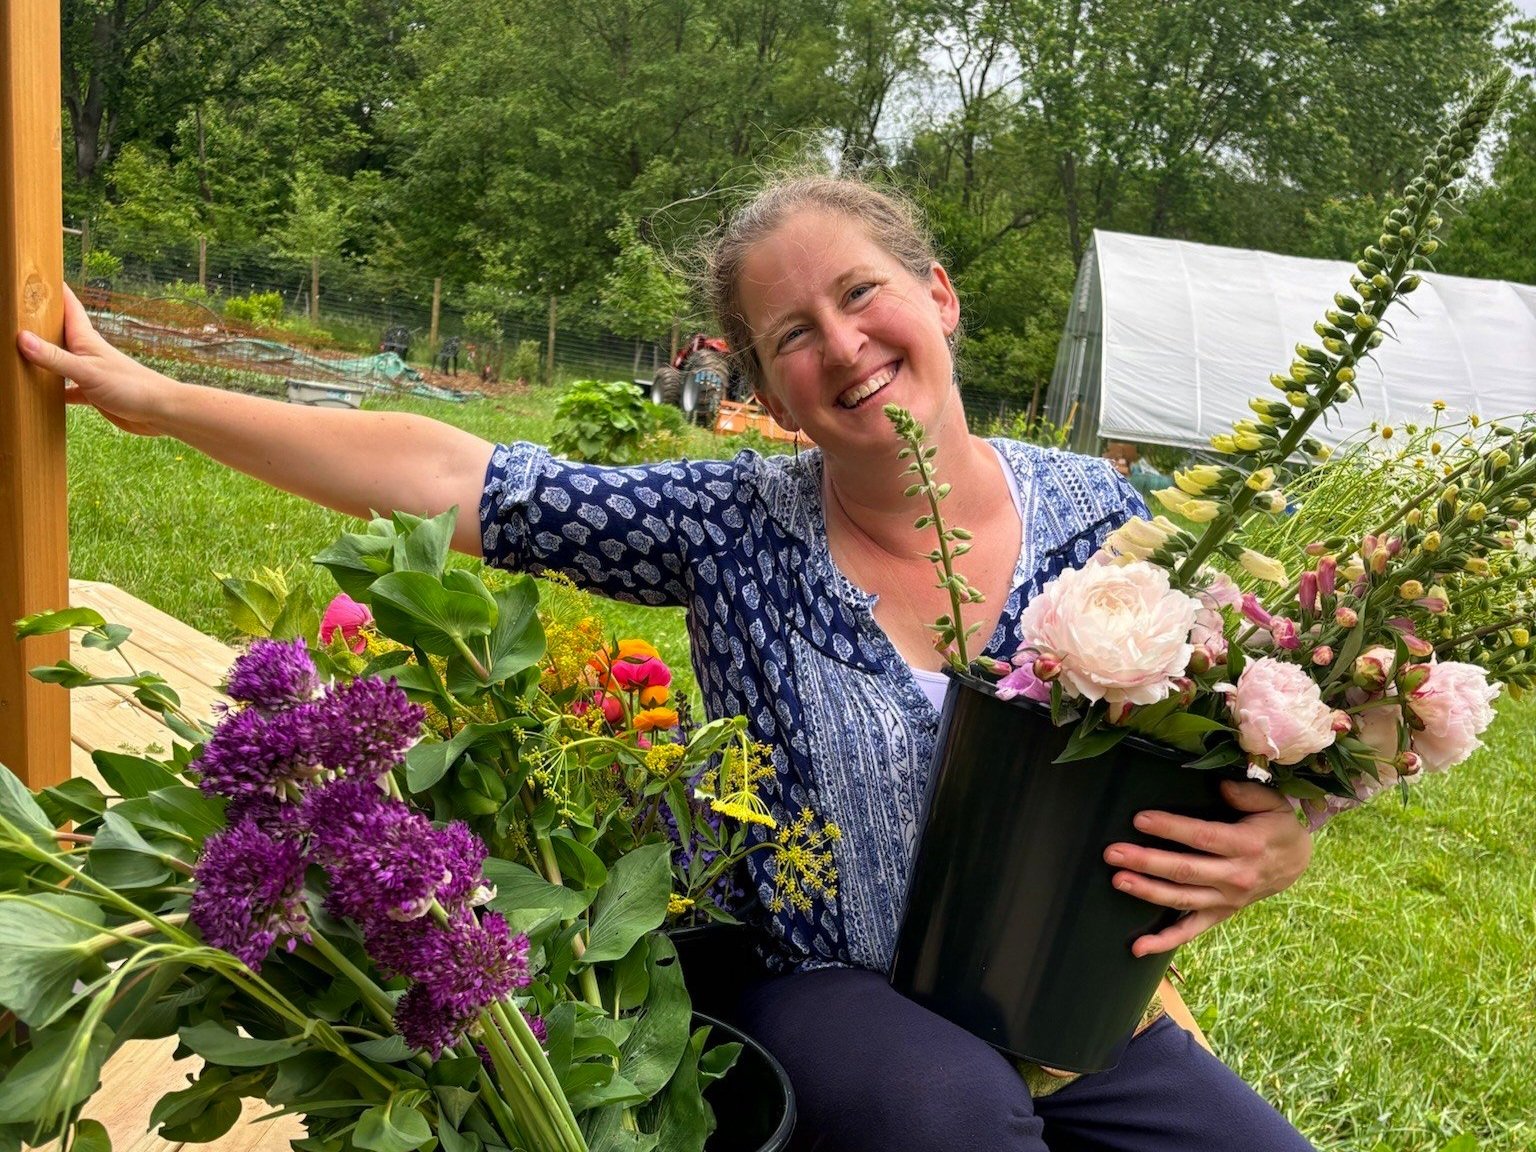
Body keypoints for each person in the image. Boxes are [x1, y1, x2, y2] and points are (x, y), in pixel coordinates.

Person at [18, 174, 1315, 1152]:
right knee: (953, 1121)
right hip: (816, 979)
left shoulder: (1111, 525)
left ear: (939, 297)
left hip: (1058, 999)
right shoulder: (732, 529)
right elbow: (449, 472)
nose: (844, 345)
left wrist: (1274, 838)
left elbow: (1248, 736)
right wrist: (151, 397)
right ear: (764, 385)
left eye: (862, 292)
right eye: (791, 334)